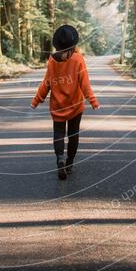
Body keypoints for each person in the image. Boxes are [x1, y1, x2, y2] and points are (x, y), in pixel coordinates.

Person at [30, 24, 101, 180]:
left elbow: (46, 83)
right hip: (75, 105)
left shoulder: (52, 60)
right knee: (73, 135)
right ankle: (69, 163)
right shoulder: (78, 59)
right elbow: (84, 83)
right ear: (72, 45)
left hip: (57, 105)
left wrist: (36, 100)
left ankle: (60, 159)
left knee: (59, 134)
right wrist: (93, 101)